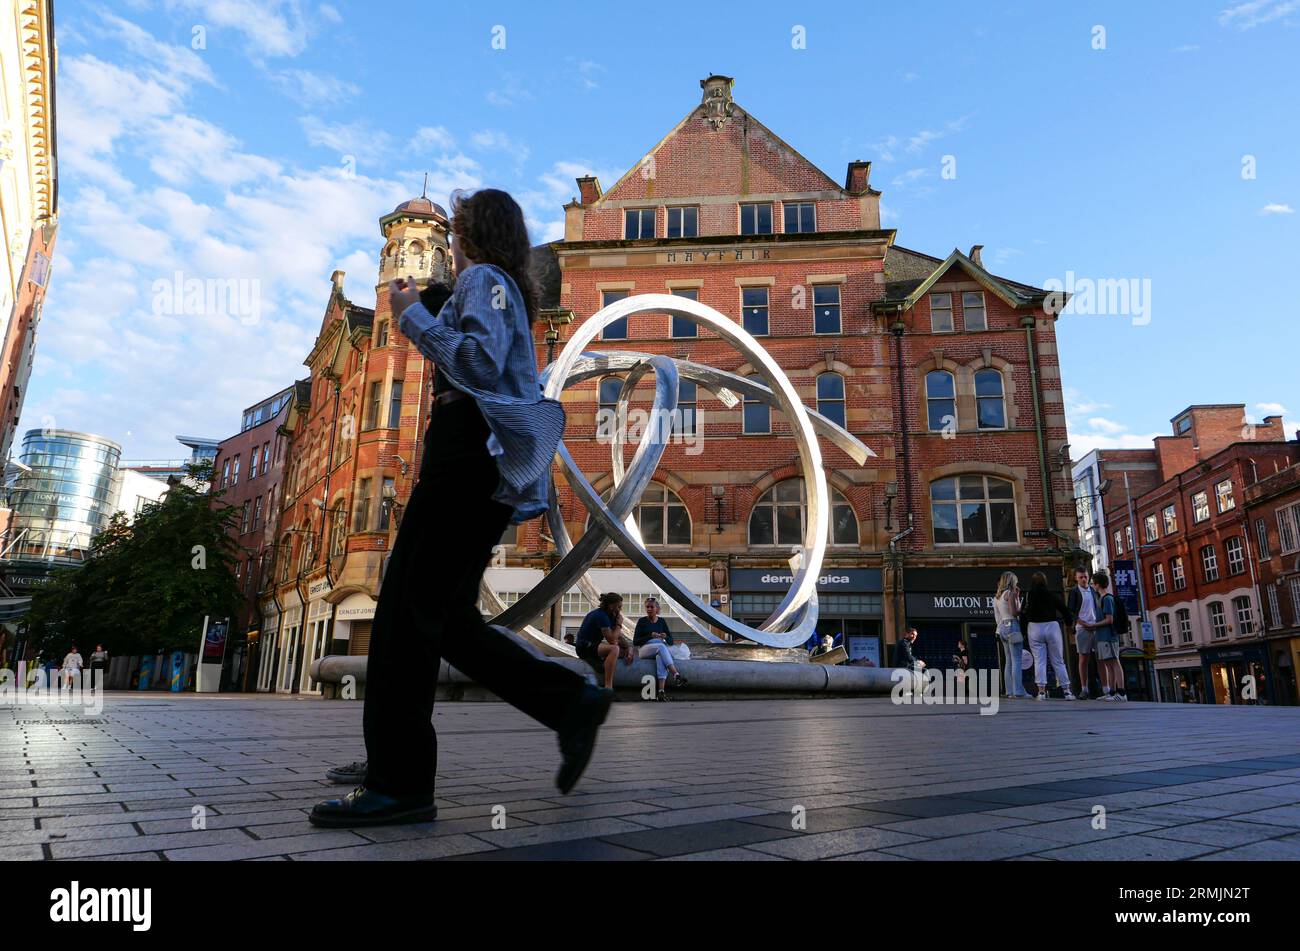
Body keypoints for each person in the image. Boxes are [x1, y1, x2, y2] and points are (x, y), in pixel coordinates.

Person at [311, 188, 612, 829]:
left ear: (472, 235)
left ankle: (401, 783)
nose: (450, 247)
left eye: (457, 232)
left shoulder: (484, 280)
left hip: (468, 452)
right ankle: (567, 704)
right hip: (477, 457)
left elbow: (475, 362)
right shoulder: (499, 285)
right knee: (444, 620)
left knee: (402, 615)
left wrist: (411, 317)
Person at [1019, 573, 1077, 701]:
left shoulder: (1028, 596)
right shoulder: (1051, 594)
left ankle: (1041, 692)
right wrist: (1069, 624)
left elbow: (1023, 615)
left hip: (1034, 627)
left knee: (1039, 660)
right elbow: (1064, 609)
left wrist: (1022, 632)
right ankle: (1067, 691)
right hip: (1052, 626)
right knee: (1058, 660)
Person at [575, 593, 634, 690]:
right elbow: (612, 640)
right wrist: (619, 624)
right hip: (584, 647)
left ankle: (600, 663)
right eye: (619, 607)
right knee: (614, 649)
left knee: (621, 651)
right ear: (611, 606)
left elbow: (618, 637)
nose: (620, 610)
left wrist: (628, 648)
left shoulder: (610, 616)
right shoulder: (601, 616)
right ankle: (608, 687)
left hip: (595, 645)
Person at [633, 597, 687, 700]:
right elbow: (635, 641)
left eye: (651, 607)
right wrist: (650, 636)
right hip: (645, 649)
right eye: (647, 607)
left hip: (659, 649)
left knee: (660, 657)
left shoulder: (662, 621)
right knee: (661, 647)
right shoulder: (642, 621)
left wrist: (665, 636)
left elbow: (671, 641)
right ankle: (676, 674)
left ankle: (661, 692)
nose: (649, 609)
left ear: (657, 609)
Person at [1088, 571, 1127, 702]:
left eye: (1093, 583)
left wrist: (1094, 625)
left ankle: (1121, 693)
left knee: (1114, 662)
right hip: (1103, 636)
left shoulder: (1107, 599)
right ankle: (1112, 692)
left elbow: (1109, 619)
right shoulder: (1102, 598)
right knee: (1108, 664)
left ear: (1098, 584)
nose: (1092, 585)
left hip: (1108, 636)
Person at [1067, 565, 1101, 699]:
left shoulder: (1093, 591)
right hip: (1082, 628)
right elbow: (1071, 611)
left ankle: (1104, 687)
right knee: (1083, 658)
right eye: (1081, 577)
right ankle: (1084, 688)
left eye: (1085, 577)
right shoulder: (1074, 592)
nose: (1084, 579)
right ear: (1076, 578)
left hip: (1095, 626)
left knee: (1100, 658)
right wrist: (1082, 623)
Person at [994, 571, 1029, 698]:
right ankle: (1018, 691)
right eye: (1015, 581)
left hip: (1002, 627)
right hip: (1012, 625)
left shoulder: (998, 596)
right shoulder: (1009, 594)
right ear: (1011, 581)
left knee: (1008, 661)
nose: (1017, 583)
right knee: (1017, 660)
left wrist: (1017, 596)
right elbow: (1014, 612)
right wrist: (1023, 609)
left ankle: (1009, 691)